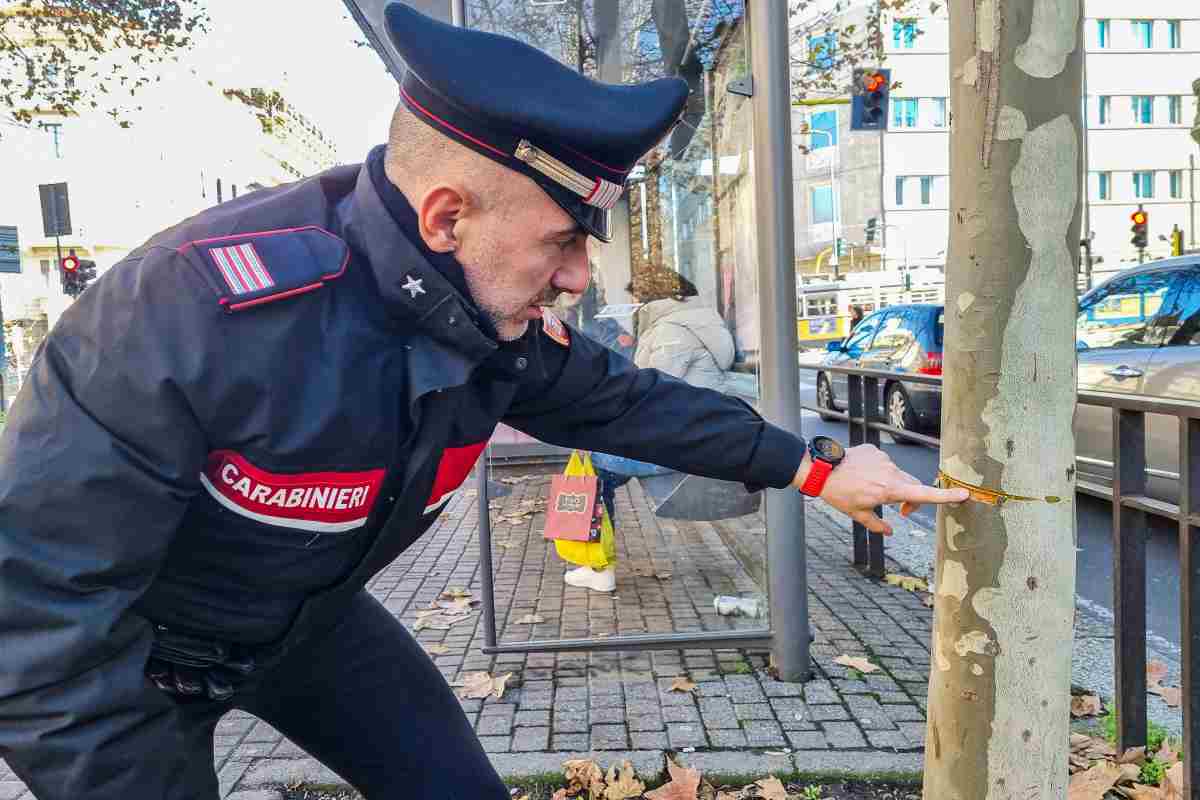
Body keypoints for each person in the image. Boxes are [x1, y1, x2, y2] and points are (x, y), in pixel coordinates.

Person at [0, 6, 967, 800]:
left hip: (307, 624)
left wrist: (822, 467)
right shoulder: (188, 313)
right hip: (128, 662)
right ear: (447, 216)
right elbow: (38, 625)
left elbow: (629, 405)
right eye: (561, 241)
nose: (580, 278)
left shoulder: (482, 316)